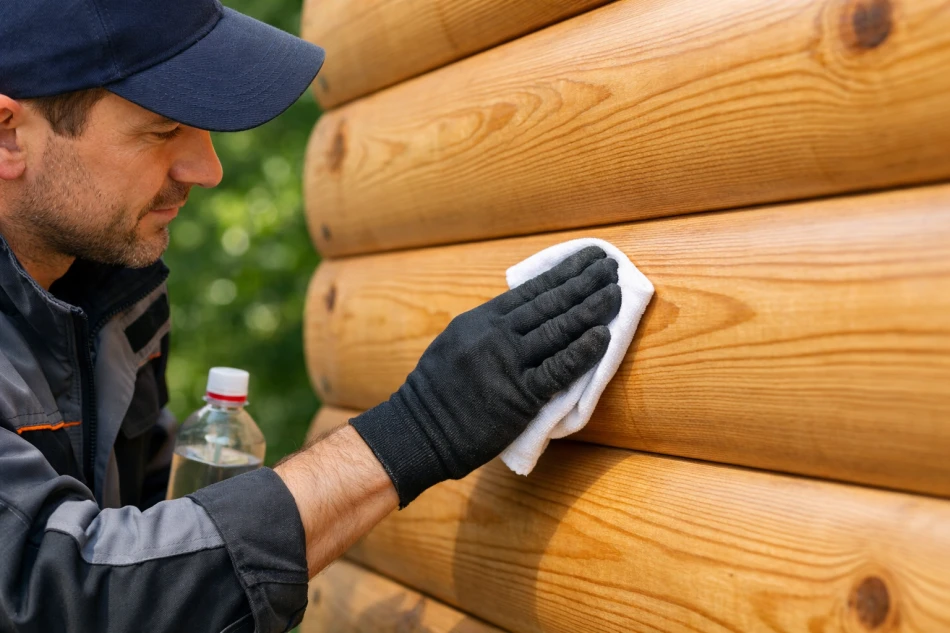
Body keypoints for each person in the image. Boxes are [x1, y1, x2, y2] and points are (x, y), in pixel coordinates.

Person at [0, 1, 622, 631]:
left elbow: (143, 531)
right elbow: (66, 594)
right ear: (8, 134)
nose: (208, 170)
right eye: (163, 130)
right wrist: (418, 431)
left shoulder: (110, 296)